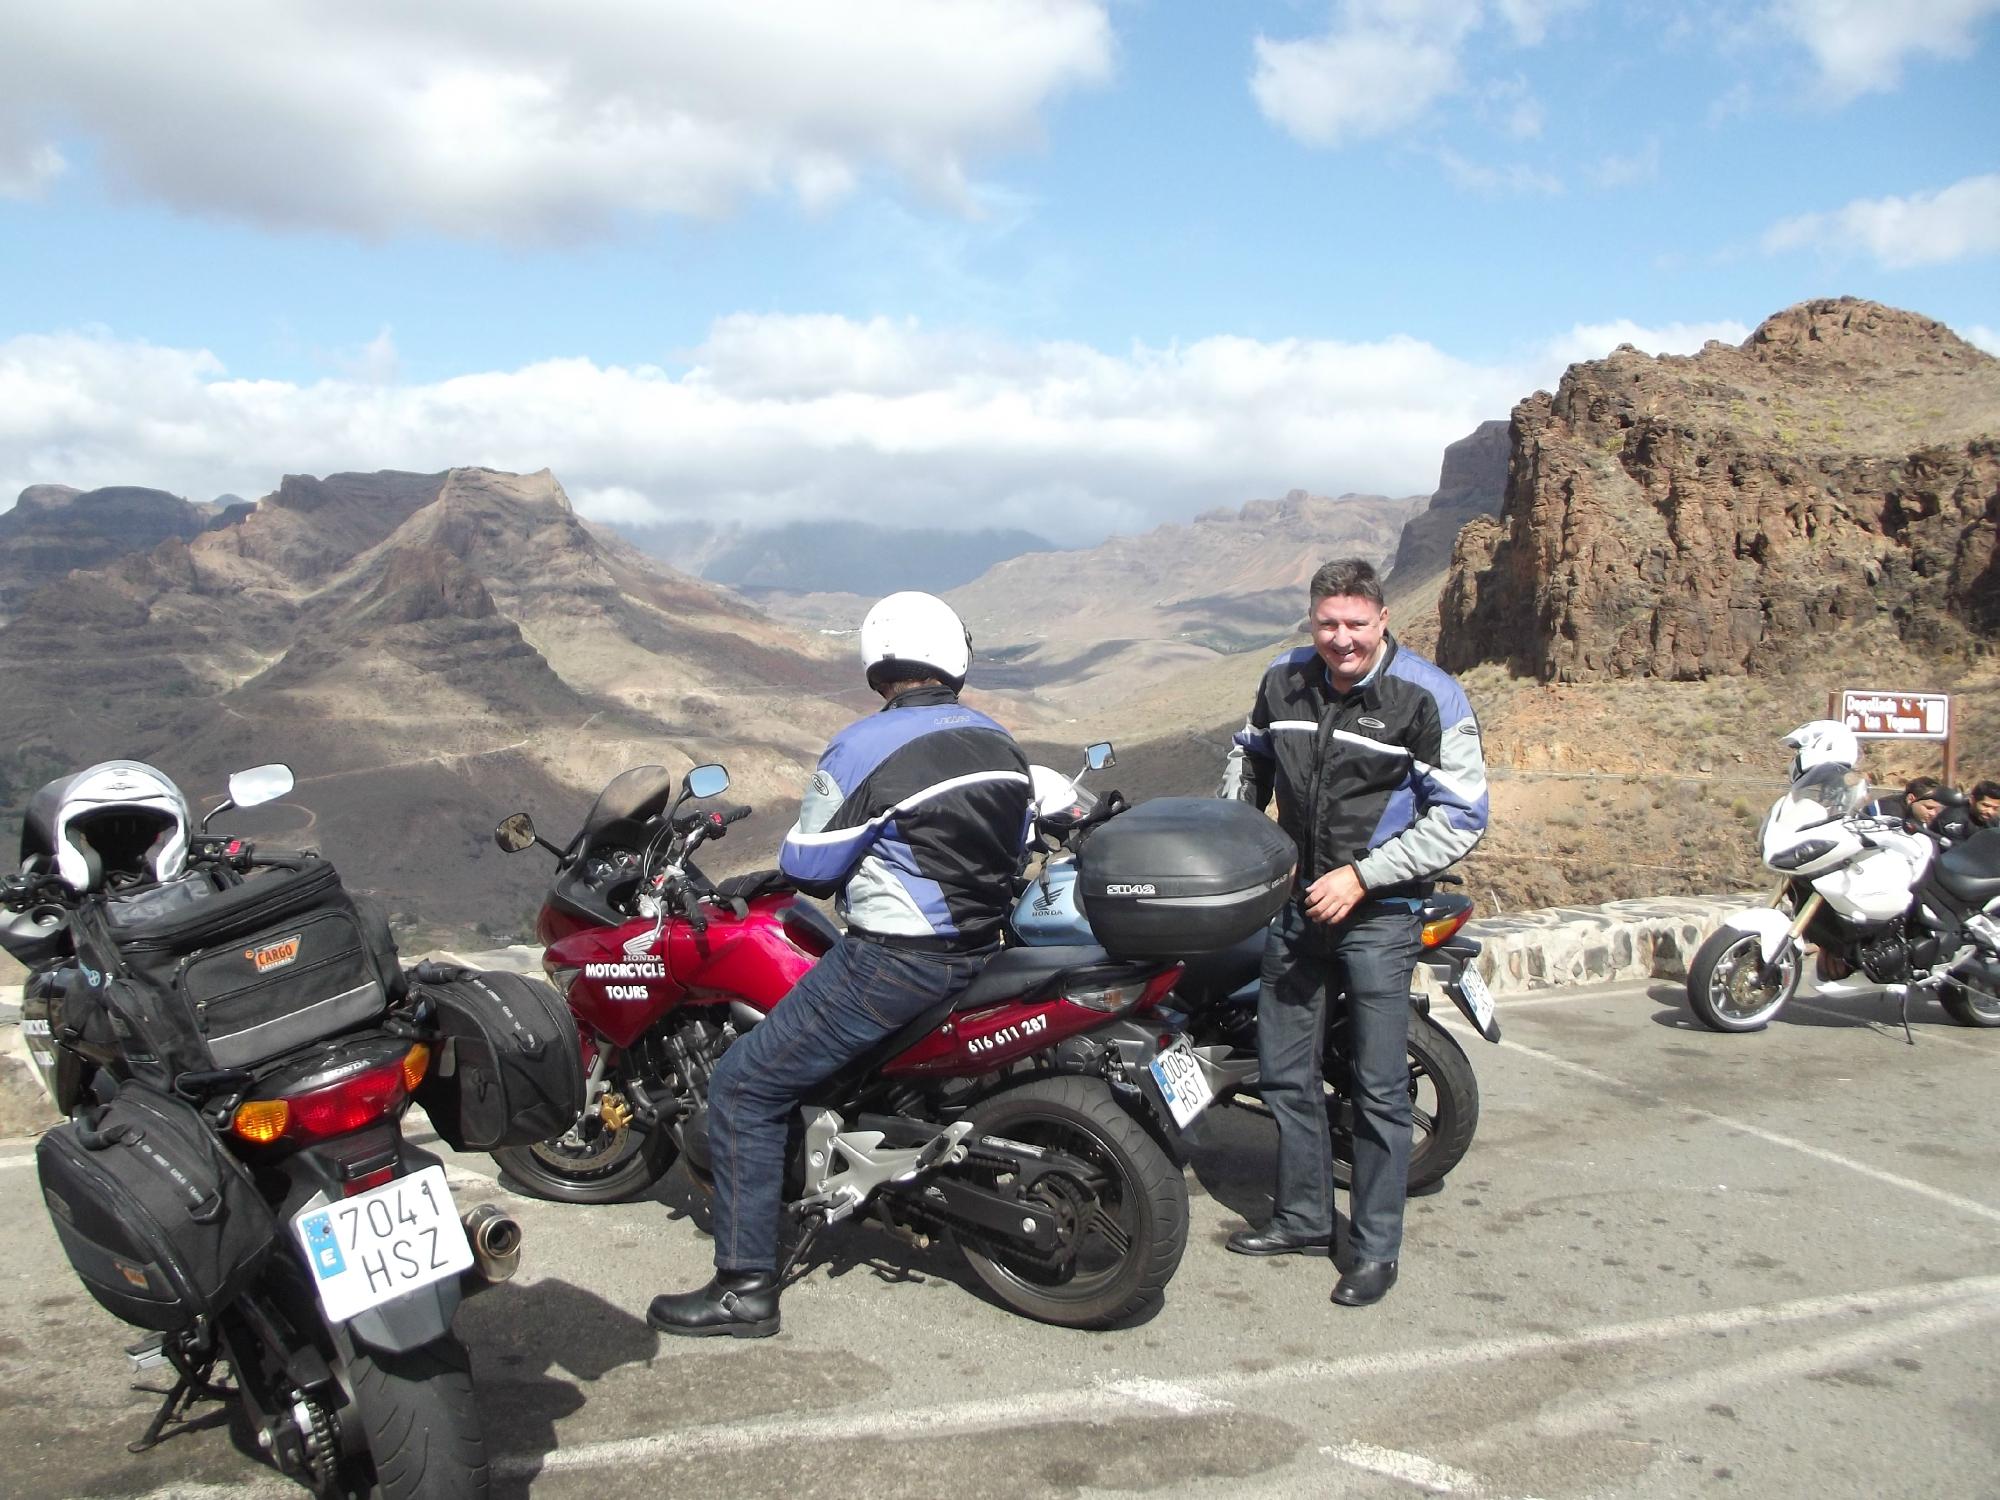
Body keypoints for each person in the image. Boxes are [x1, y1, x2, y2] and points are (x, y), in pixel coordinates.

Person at [647, 591, 1032, 1338]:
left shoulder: (864, 745)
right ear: (954, 660)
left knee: (743, 1085)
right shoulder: (999, 740)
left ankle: (744, 1289)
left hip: (895, 963)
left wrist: (788, 863)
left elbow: (811, 866)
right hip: (980, 953)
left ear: (879, 663)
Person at [1219, 558, 1488, 1308]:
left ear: (1383, 621)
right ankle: (1304, 1217)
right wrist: (1239, 836)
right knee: (1284, 1073)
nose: (1342, 639)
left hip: (1380, 916)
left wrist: (1364, 876)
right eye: (1328, 624)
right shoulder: (1284, 681)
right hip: (1296, 910)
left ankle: (1374, 1250)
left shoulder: (1428, 697)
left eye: (1356, 625)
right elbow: (1249, 759)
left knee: (1375, 1089)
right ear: (1313, 623)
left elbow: (1463, 815)